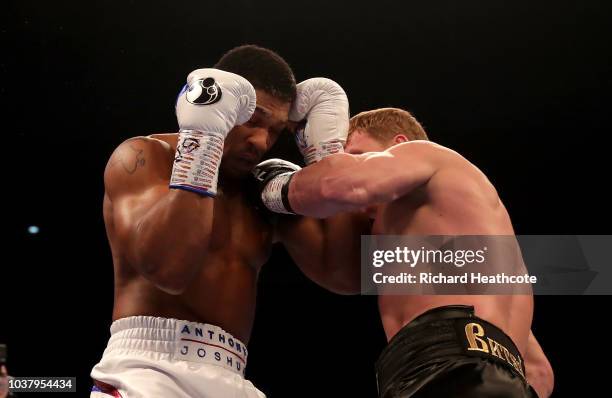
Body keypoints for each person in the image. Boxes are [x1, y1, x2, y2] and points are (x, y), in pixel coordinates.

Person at [91, 43, 356, 397]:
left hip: (233, 376)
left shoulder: (263, 191)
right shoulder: (147, 157)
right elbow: (169, 270)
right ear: (223, 104)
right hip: (147, 370)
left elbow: (345, 274)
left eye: (276, 130)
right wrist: (203, 145)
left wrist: (328, 162)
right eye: (254, 119)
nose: (261, 142)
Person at [254, 107, 554, 397]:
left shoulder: (424, 153)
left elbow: (341, 186)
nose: (349, 166)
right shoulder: (467, 239)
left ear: (399, 144)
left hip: (449, 368)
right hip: (486, 375)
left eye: (357, 157)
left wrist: (275, 186)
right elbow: (539, 372)